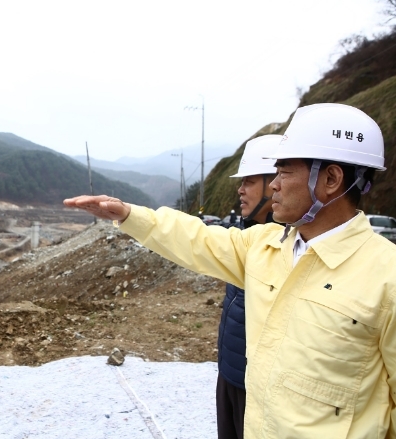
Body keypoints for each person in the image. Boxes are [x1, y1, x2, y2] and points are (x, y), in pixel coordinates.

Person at [64, 103, 396, 438]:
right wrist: (129, 214)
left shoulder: (386, 275)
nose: (275, 185)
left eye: (284, 172)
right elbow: (198, 239)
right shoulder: (265, 246)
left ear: (331, 179)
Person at [217, 135, 280, 439]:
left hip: (258, 390)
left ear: (275, 183)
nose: (240, 189)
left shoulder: (291, 247)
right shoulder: (247, 235)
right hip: (230, 374)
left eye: (250, 181)